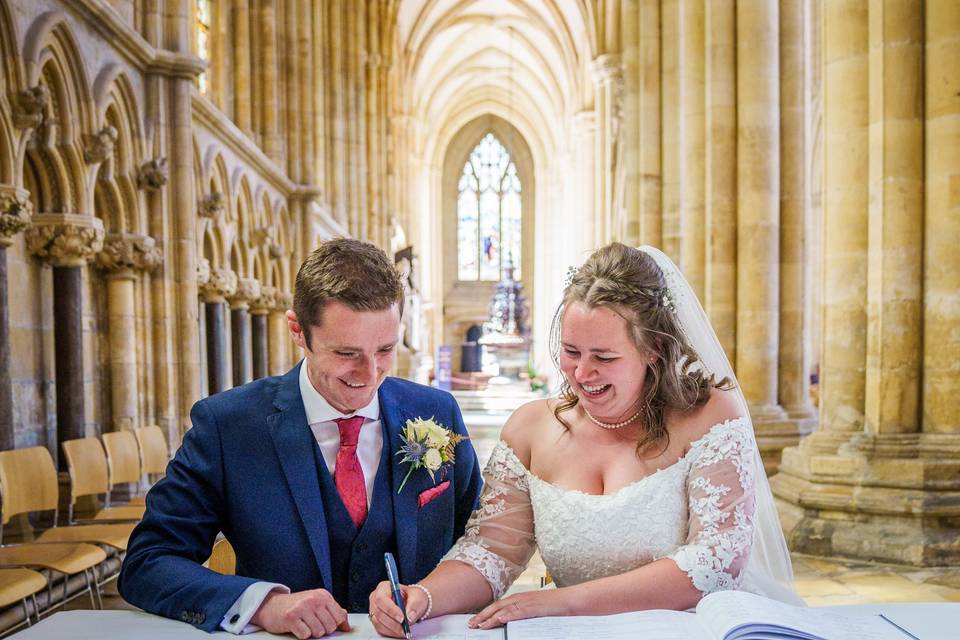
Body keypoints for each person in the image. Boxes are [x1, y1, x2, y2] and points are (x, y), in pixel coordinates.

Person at [369, 243, 798, 637]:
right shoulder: (530, 430)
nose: (581, 372)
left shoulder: (709, 416)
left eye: (604, 357)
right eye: (571, 352)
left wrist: (561, 603)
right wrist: (422, 597)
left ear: (653, 350)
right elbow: (490, 552)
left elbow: (716, 562)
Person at [119, 238, 483, 639]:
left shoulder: (435, 412)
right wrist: (264, 605)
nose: (369, 373)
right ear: (298, 331)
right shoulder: (229, 426)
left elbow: (482, 542)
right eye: (346, 353)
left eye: (384, 349)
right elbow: (148, 561)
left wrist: (430, 595)